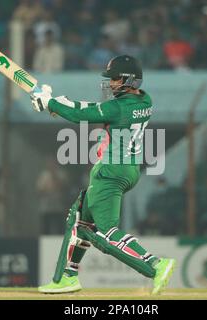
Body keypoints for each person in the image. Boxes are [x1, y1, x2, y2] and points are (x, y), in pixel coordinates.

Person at [30, 55, 176, 295]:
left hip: (110, 171)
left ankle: (155, 264)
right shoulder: (144, 100)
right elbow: (95, 110)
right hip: (128, 169)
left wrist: (51, 104)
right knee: (79, 219)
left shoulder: (118, 108)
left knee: (106, 233)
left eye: (116, 79)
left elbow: (83, 116)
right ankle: (67, 277)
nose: (111, 84)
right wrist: (61, 102)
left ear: (130, 80)